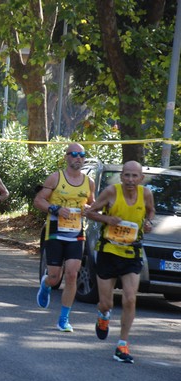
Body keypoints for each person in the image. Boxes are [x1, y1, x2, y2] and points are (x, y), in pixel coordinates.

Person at [85, 161, 155, 364]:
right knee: (106, 302)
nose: (131, 180)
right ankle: (103, 315)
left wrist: (148, 222)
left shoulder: (146, 194)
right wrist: (107, 220)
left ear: (141, 178)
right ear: (121, 176)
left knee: (130, 299)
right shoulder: (110, 192)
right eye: (127, 175)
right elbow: (90, 212)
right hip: (109, 251)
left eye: (135, 176)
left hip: (132, 252)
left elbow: (150, 211)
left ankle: (122, 344)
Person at [33, 143, 95, 332]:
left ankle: (64, 319)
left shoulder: (89, 182)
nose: (78, 158)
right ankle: (46, 284)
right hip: (55, 233)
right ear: (67, 157)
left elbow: (92, 205)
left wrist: (89, 210)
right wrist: (56, 208)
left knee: (72, 274)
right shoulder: (55, 178)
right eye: (74, 154)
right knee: (54, 276)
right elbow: (38, 200)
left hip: (76, 234)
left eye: (82, 155)